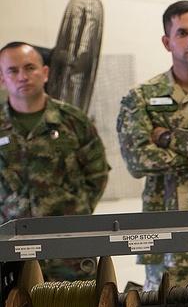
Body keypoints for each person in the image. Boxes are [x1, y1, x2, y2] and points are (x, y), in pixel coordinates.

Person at [117, 1, 188, 297]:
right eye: (182, 33)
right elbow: (138, 161)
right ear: (166, 41)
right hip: (165, 236)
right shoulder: (141, 97)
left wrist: (169, 138)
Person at [0, 41, 110, 281]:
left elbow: (97, 174)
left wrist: (74, 213)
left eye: (30, 68)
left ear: (45, 73)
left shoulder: (73, 121)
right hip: (11, 250)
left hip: (70, 251)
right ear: (2, 78)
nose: (23, 76)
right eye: (13, 70)